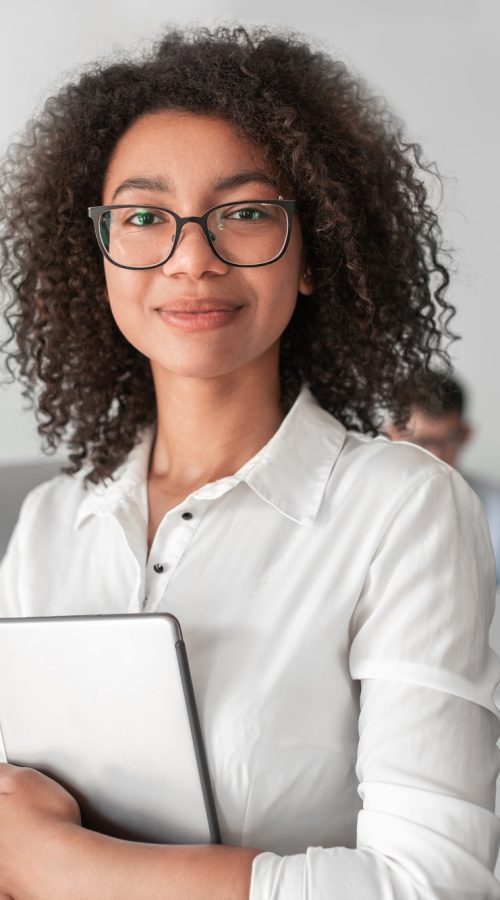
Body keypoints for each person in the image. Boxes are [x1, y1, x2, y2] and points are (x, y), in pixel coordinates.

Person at [0, 25, 498, 900]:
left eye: (246, 212)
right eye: (145, 217)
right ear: (100, 257)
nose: (192, 257)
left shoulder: (404, 510)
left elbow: (433, 885)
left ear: (314, 254)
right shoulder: (50, 525)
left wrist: (66, 867)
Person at [384, 370, 500, 582]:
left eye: (446, 441)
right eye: (419, 442)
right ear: (393, 435)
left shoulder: (495, 509)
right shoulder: (364, 503)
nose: (434, 455)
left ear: (465, 435)